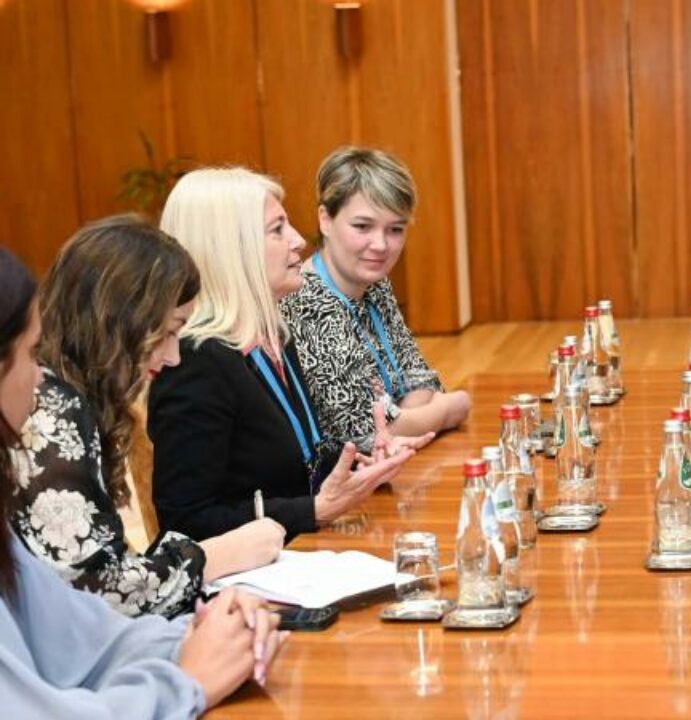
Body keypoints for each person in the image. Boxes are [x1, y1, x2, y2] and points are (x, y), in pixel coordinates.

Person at [0, 245, 286, 716]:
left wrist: (202, 634)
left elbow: (82, 632)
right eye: (30, 354)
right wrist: (185, 682)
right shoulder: (58, 408)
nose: (38, 379)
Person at [149, 167, 429, 542]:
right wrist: (313, 510)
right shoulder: (195, 362)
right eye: (277, 229)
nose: (298, 240)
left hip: (299, 553)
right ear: (233, 249)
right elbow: (186, 523)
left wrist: (360, 468)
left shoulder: (273, 336)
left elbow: (295, 465)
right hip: (250, 574)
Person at [281, 146, 470, 453]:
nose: (380, 245)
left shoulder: (374, 282)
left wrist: (402, 420)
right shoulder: (307, 303)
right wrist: (449, 409)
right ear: (325, 220)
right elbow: (364, 435)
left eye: (395, 229)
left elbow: (421, 378)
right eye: (362, 226)